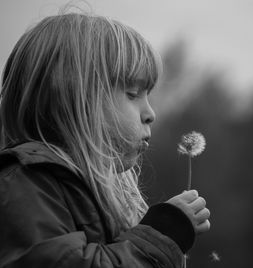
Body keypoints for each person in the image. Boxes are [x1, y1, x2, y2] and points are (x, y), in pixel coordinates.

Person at [0, 10, 210, 268]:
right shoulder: (26, 184)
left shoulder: (99, 196)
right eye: (133, 94)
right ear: (74, 99)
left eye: (148, 96)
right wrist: (162, 235)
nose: (150, 113)